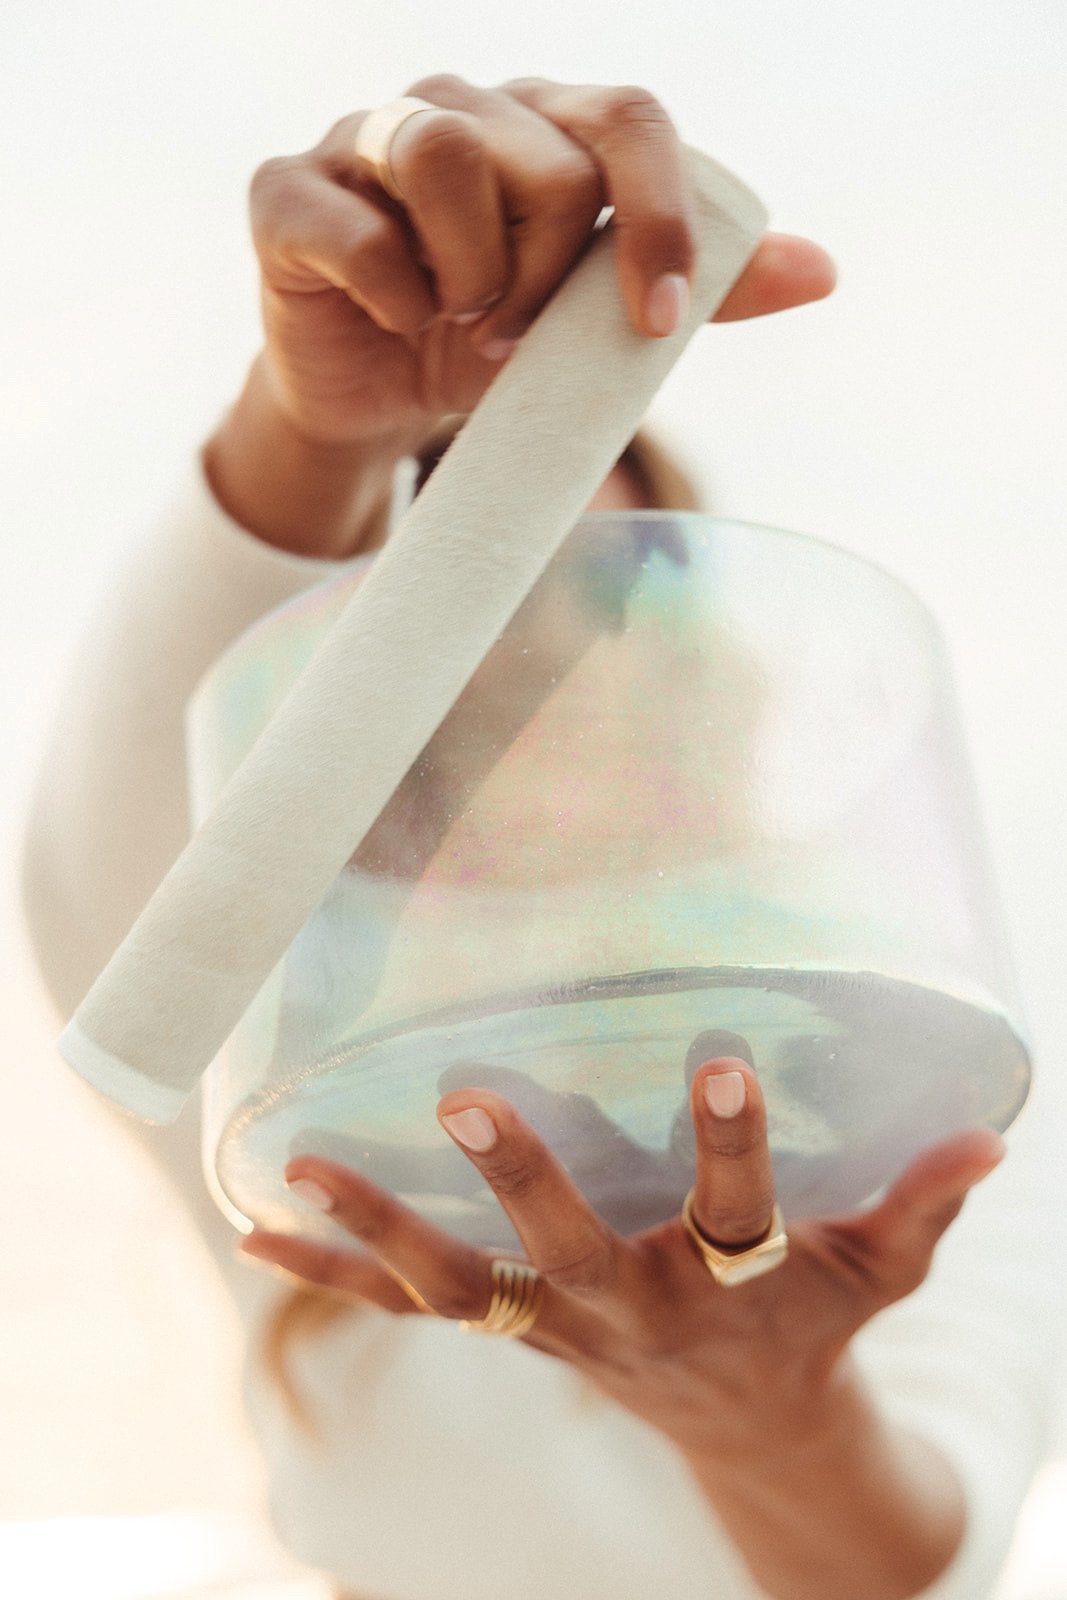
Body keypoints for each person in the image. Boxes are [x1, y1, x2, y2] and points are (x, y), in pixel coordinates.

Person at [19, 75, 1063, 1600]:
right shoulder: (314, 1076)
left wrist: (769, 1419)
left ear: (716, 667)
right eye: (445, 592)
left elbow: (927, 1550)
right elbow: (130, 875)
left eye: (605, 584)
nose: (526, 642)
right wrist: (312, 432)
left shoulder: (907, 1051)